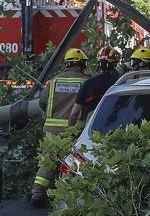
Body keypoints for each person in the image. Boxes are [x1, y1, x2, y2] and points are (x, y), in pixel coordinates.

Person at [30, 48, 90, 207]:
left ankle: (37, 193)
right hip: (74, 130)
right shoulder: (85, 82)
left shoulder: (53, 81)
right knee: (71, 163)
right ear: (82, 65)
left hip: (51, 130)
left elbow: (42, 103)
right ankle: (64, 197)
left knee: (47, 161)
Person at [69, 47, 121, 126]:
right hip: (117, 126)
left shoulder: (89, 83)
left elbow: (74, 113)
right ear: (116, 63)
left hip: (92, 130)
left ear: (99, 62)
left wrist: (69, 132)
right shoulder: (122, 82)